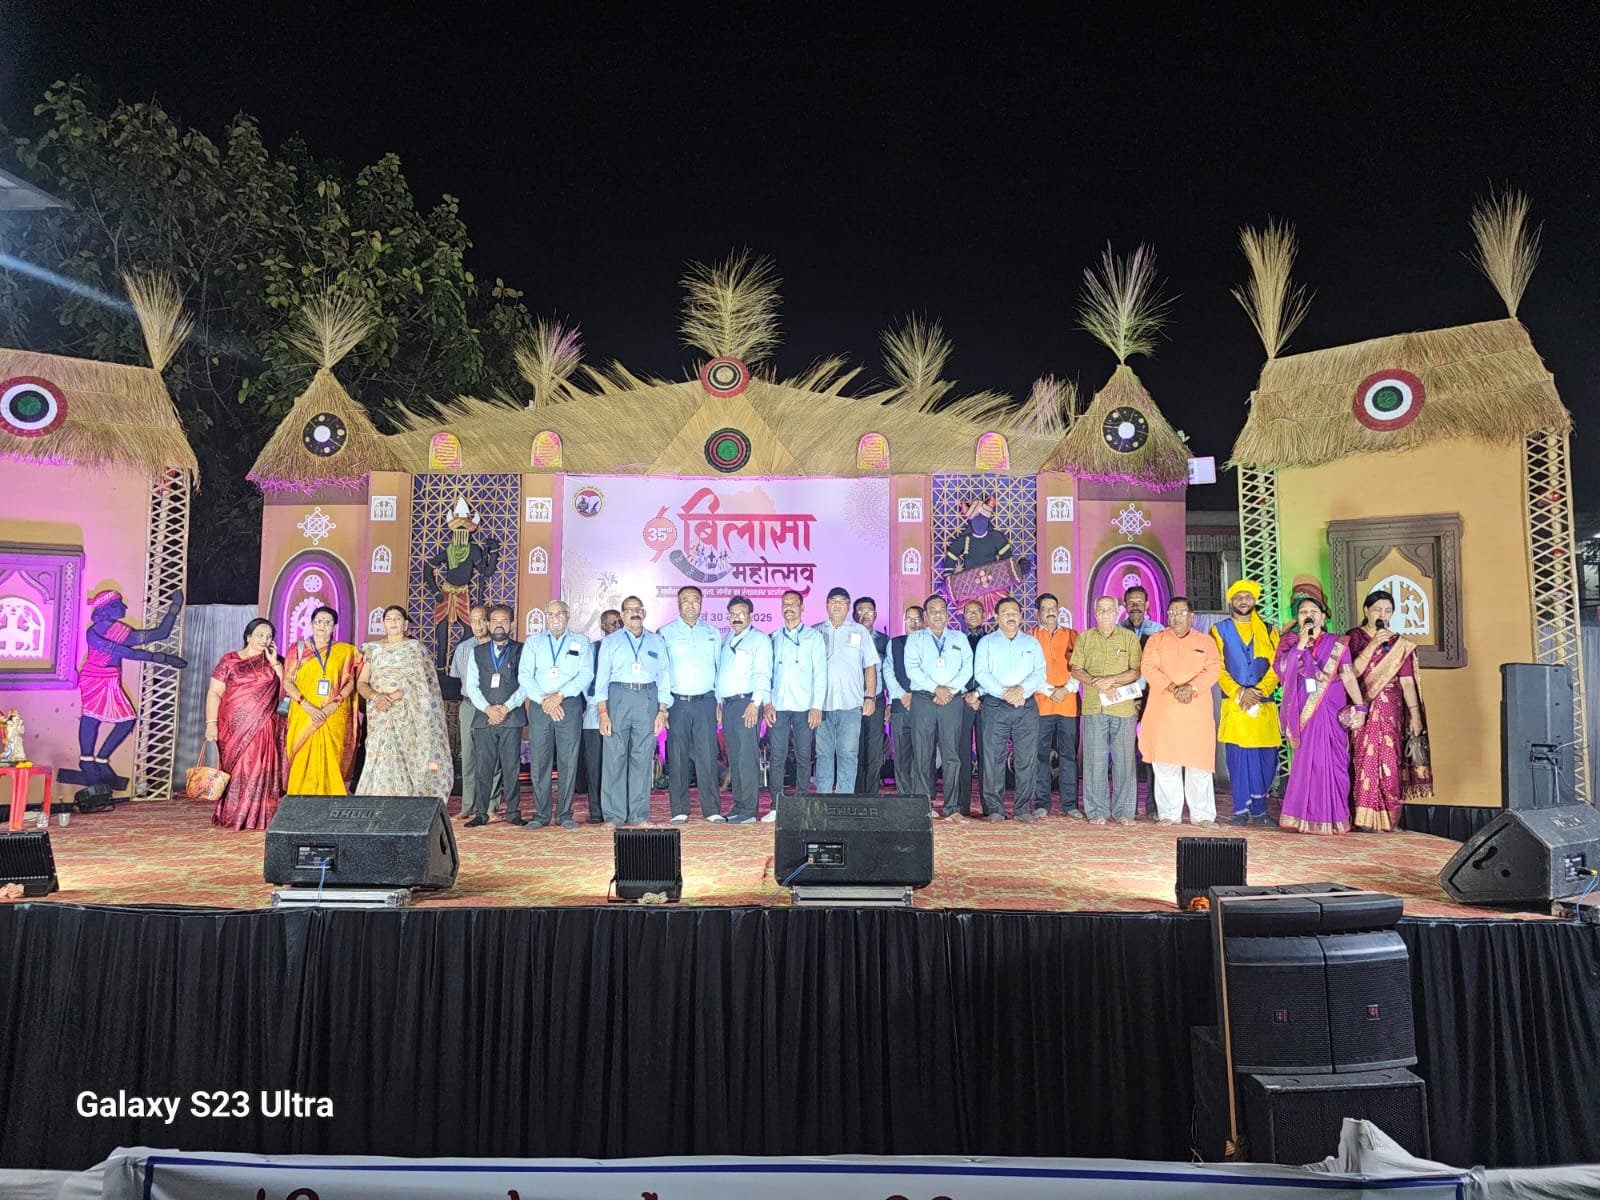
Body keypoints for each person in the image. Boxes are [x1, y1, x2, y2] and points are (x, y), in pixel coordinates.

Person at [1274, 588, 1365, 836]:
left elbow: (1348, 676)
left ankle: (1334, 817)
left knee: (1333, 764)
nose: (1309, 614)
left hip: (1331, 710)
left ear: (1323, 617)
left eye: (1314, 611)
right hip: (1304, 711)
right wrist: (1301, 646)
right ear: (1297, 618)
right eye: (1303, 611)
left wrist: (1360, 706)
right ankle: (1304, 818)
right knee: (1307, 765)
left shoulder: (1338, 643)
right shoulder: (1290, 643)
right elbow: (1282, 672)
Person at [1347, 589, 1432, 831]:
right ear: (1366, 610)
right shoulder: (1354, 638)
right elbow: (1351, 672)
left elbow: (1407, 682)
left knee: (1390, 762)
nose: (1382, 615)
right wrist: (1373, 644)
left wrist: (1415, 714)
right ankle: (1363, 819)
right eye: (1377, 610)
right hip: (1364, 706)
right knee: (1364, 760)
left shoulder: (1398, 644)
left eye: (1387, 610)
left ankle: (1389, 820)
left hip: (1391, 711)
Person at [355, 606, 452, 803]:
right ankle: (378, 802)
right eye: (388, 619)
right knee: (380, 755)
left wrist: (394, 696)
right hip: (380, 712)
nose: (393, 622)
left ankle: (406, 803)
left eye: (397, 618)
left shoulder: (415, 649)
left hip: (408, 713)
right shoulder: (372, 649)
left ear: (406, 624)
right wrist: (376, 697)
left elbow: (423, 685)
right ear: (383, 624)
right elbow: (361, 683)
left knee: (407, 756)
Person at [1139, 598, 1222, 826]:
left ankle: (1203, 815)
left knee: (1199, 766)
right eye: (1172, 612)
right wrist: (1173, 687)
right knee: (1165, 765)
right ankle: (1168, 814)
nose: (1176, 617)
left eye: (1181, 612)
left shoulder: (1205, 642)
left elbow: (1213, 669)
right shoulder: (1156, 640)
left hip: (1196, 713)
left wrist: (1191, 688)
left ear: (1192, 616)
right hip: (1164, 712)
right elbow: (1148, 667)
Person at [595, 596, 672, 826]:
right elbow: (601, 679)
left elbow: (664, 676)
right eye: (629, 610)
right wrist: (603, 712)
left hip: (648, 698)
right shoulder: (611, 642)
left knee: (642, 757)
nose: (634, 613)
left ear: (644, 613)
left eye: (638, 609)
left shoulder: (657, 641)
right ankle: (614, 816)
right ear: (622, 616)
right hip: (618, 696)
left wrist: (662, 710)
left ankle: (639, 815)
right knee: (614, 756)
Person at [204, 617, 286, 830]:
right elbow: (214, 692)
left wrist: (275, 663)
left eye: (268, 636)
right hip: (231, 727)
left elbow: (287, 690)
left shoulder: (276, 662)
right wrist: (211, 724)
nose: (264, 639)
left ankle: (259, 816)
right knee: (236, 770)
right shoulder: (230, 660)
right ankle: (233, 814)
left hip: (263, 727)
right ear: (248, 636)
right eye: (260, 635)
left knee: (258, 768)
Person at [1212, 580, 1282, 826]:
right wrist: (1240, 692)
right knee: (1239, 760)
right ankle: (1240, 811)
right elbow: (1218, 667)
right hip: (1236, 705)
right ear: (1231, 601)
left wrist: (1260, 691)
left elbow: (1277, 665)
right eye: (1239, 597)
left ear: (1254, 600)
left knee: (1266, 760)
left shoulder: (1270, 631)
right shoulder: (1219, 630)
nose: (1243, 601)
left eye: (1248, 597)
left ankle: (1261, 812)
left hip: (1264, 705)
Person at [1071, 596, 1143, 825]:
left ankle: (1124, 812)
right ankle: (1097, 811)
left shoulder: (1129, 638)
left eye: (1109, 610)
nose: (1105, 614)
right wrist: (1096, 682)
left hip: (1123, 707)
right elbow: (1076, 669)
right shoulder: (1085, 637)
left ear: (1117, 613)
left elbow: (1135, 671)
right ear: (1095, 614)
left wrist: (1111, 681)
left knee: (1124, 761)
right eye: (1100, 610)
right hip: (1094, 706)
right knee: (1094, 761)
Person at [519, 600, 592, 829]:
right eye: (550, 614)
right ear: (546, 618)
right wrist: (545, 700)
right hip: (540, 705)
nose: (555, 618)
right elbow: (524, 675)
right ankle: (541, 815)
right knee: (540, 761)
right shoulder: (534, 642)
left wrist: (559, 696)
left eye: (560, 613)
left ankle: (565, 814)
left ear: (568, 616)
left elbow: (586, 674)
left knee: (568, 760)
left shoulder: (580, 641)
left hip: (568, 704)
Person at [974, 596, 1047, 822]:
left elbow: (1040, 673)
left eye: (1015, 612)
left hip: (1025, 705)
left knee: (1026, 758)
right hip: (996, 705)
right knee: (993, 758)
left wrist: (1021, 690)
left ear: (1021, 616)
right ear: (996, 617)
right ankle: (995, 809)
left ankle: (1023, 809)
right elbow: (981, 673)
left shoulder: (1031, 643)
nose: (1011, 616)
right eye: (1005, 613)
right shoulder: (987, 642)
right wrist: (1004, 693)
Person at [905, 595, 975, 818]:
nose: (937, 614)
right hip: (923, 700)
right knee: (922, 754)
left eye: (941, 610)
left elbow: (967, 668)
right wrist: (936, 689)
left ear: (947, 614)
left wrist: (949, 690)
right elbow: (912, 669)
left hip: (952, 700)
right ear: (925, 616)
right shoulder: (915, 639)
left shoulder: (959, 638)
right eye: (932, 611)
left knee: (951, 754)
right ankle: (923, 807)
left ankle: (952, 807)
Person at [658, 585, 724, 822]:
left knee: (707, 756)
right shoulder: (665, 633)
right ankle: (679, 809)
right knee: (678, 757)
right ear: (678, 603)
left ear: (701, 603)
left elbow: (719, 668)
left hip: (706, 702)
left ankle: (712, 810)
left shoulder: (712, 632)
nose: (690, 604)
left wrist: (719, 701)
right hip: (677, 704)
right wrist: (662, 707)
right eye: (685, 600)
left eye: (695, 599)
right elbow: (662, 672)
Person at [284, 605, 359, 795]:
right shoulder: (298, 649)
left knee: (332, 757)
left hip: (332, 714)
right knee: (302, 755)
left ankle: (331, 801)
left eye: (327, 622)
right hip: (304, 712)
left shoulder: (345, 651)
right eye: (318, 621)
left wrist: (335, 704)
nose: (322, 625)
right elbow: (287, 681)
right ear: (311, 624)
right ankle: (299, 800)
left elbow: (350, 682)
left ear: (334, 626)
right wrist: (306, 705)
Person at [764, 589, 825, 819]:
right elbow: (766, 674)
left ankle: (801, 803)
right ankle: (776, 805)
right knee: (777, 756)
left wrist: (817, 705)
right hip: (778, 707)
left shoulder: (813, 637)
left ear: (802, 608)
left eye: (793, 603)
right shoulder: (773, 637)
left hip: (805, 707)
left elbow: (820, 674)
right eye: (785, 604)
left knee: (803, 755)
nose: (789, 607)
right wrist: (767, 703)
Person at [813, 586, 880, 794]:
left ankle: (844, 800)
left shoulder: (860, 632)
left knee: (848, 754)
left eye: (842, 602)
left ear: (848, 606)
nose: (837, 605)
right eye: (833, 601)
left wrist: (870, 697)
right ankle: (823, 800)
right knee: (823, 755)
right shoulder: (814, 632)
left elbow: (870, 666)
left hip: (851, 704)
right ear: (826, 605)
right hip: (821, 705)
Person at [716, 596, 772, 823]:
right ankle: (739, 805)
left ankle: (749, 810)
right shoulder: (727, 639)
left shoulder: (759, 639)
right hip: (728, 706)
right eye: (732, 614)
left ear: (750, 616)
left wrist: (755, 703)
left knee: (747, 757)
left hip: (747, 704)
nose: (736, 618)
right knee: (735, 757)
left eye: (741, 614)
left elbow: (763, 673)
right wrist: (719, 702)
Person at [1031, 593, 1080, 817]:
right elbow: (1029, 669)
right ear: (1038, 613)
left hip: (1068, 705)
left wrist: (1066, 689)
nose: (1051, 612)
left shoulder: (1072, 635)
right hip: (1041, 704)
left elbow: (1080, 667)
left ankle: (1070, 805)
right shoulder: (1030, 636)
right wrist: (1050, 690)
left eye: (1054, 608)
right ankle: (1042, 803)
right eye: (1046, 608)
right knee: (1040, 755)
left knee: (1068, 756)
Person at [449, 605, 498, 821]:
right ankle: (467, 806)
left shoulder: (499, 646)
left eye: (482, 620)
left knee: (491, 757)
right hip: (469, 705)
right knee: (468, 757)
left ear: (489, 622)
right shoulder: (463, 648)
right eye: (473, 620)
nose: (477, 625)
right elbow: (462, 680)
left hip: (493, 707)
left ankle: (490, 806)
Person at [1121, 586, 1164, 816]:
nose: (1135, 605)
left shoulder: (1158, 632)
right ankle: (1127, 806)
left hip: (1152, 697)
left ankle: (1153, 805)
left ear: (1147, 605)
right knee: (1124, 752)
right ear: (1125, 605)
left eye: (1139, 601)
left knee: (1152, 752)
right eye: (1131, 602)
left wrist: (1141, 693)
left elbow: (1160, 666)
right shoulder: (1117, 631)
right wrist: (1130, 694)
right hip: (1124, 697)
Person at [580, 608, 623, 822]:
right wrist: (598, 704)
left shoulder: (627, 647)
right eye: (612, 623)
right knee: (596, 766)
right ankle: (597, 811)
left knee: (617, 765)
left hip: (621, 716)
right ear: (603, 626)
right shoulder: (593, 648)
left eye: (619, 622)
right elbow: (586, 681)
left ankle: (618, 809)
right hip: (595, 716)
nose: (616, 626)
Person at [884, 604, 923, 796]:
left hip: (924, 705)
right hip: (901, 706)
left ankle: (922, 798)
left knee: (923, 755)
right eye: (909, 619)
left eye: (917, 619)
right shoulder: (895, 643)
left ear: (924, 622)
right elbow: (888, 672)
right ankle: (904, 798)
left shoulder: (930, 643)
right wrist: (902, 695)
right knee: (902, 754)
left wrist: (915, 695)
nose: (913, 623)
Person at [955, 598, 989, 817]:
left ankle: (990, 805)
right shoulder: (956, 640)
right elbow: (953, 669)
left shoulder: (992, 640)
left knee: (988, 755)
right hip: (962, 700)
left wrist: (979, 694)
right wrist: (966, 694)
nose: (974, 615)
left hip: (987, 701)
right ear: (963, 616)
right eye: (969, 612)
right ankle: (962, 805)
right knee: (962, 754)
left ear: (984, 616)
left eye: (978, 611)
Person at [854, 596, 891, 793]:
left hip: (876, 701)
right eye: (861, 610)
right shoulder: (848, 637)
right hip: (852, 702)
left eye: (869, 611)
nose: (865, 615)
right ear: (854, 614)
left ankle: (871, 793)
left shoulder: (884, 641)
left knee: (874, 750)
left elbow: (889, 673)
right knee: (854, 749)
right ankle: (856, 793)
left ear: (875, 615)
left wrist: (889, 703)